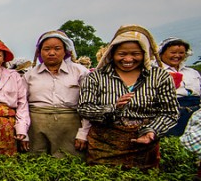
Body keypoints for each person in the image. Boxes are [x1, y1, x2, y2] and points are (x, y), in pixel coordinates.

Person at [78, 26, 179, 169]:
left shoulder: (159, 77)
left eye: (135, 54)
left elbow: (170, 112)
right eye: (122, 54)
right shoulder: (96, 77)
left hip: (144, 147)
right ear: (112, 53)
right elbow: (84, 108)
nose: (128, 59)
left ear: (144, 53)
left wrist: (151, 131)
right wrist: (113, 108)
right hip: (104, 145)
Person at [23, 30, 91, 157]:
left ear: (65, 51)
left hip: (70, 128)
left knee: (69, 163)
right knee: (36, 164)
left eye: (57, 48)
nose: (52, 53)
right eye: (46, 49)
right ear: (39, 52)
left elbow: (88, 104)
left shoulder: (80, 72)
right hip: (36, 128)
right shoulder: (30, 75)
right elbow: (22, 105)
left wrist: (83, 132)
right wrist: (23, 132)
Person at [158, 37, 200, 136]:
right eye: (173, 52)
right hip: (171, 115)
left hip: (196, 113)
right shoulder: (155, 72)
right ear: (162, 53)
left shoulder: (192, 72)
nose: (177, 56)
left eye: (181, 53)